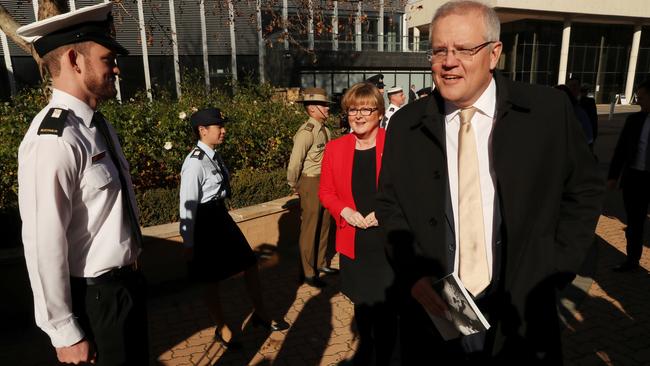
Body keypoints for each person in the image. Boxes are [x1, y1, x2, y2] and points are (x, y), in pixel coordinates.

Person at [375, 1, 604, 364]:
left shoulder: (547, 112)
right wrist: (414, 274)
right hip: (440, 306)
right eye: (439, 50)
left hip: (521, 303)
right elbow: (389, 205)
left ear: (494, 53)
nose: (449, 61)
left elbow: (585, 190)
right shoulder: (406, 125)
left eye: (464, 49)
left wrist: (555, 267)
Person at [16, 3, 149, 364]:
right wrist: (65, 332)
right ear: (75, 60)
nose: (117, 69)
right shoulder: (54, 138)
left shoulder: (95, 125)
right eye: (108, 59)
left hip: (125, 289)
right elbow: (44, 242)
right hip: (96, 300)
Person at [179, 108, 289, 347]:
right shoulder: (194, 163)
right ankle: (222, 327)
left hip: (220, 216)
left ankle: (261, 313)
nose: (224, 130)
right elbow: (187, 206)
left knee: (249, 264)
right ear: (203, 130)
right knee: (211, 278)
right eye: (219, 126)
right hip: (205, 222)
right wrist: (188, 242)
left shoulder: (213, 155)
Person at [319, 83, 398, 365]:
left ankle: (387, 354)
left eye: (366, 109)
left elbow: (409, 189)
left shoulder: (395, 144)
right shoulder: (335, 148)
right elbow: (326, 192)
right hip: (354, 241)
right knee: (362, 304)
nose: (359, 115)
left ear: (379, 113)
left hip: (387, 242)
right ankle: (366, 347)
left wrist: (384, 211)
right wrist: (345, 211)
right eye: (353, 109)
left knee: (388, 308)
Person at [287, 88, 338, 288]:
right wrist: (294, 184)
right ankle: (308, 271)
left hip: (325, 181)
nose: (327, 108)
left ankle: (320, 263)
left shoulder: (325, 130)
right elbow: (294, 163)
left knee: (325, 223)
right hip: (310, 182)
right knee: (310, 228)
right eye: (324, 105)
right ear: (312, 108)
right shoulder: (306, 132)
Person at [607, 80, 650, 272]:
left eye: (642, 97)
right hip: (634, 179)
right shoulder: (634, 120)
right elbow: (621, 150)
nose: (638, 101)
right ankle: (632, 260)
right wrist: (613, 176)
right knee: (634, 223)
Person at [568, 78, 598, 145]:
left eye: (575, 86)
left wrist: (592, 140)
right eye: (570, 86)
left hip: (584, 140)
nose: (572, 88)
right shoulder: (565, 101)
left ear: (579, 87)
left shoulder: (589, 102)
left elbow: (593, 121)